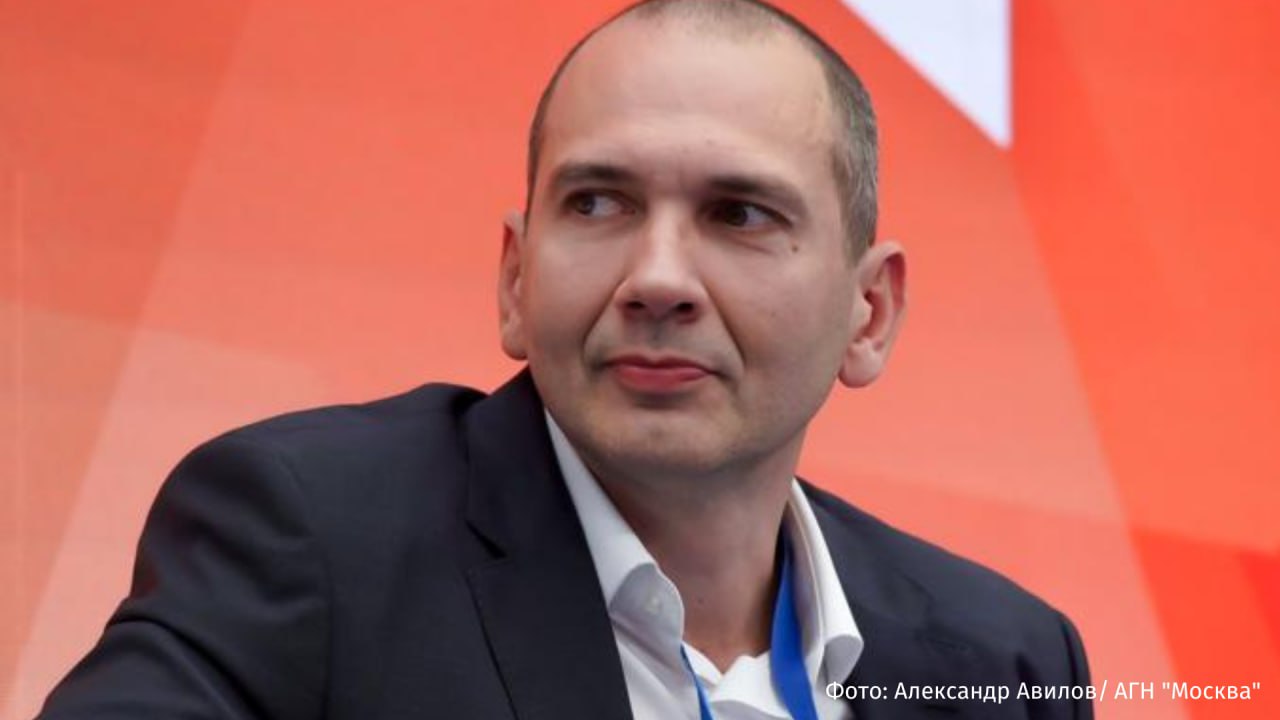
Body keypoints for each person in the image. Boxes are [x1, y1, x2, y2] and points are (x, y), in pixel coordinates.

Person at [38, 1, 1093, 718]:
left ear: (869, 312)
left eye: (738, 213)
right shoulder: (308, 536)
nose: (656, 278)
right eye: (597, 203)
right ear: (514, 278)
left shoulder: (1005, 662)